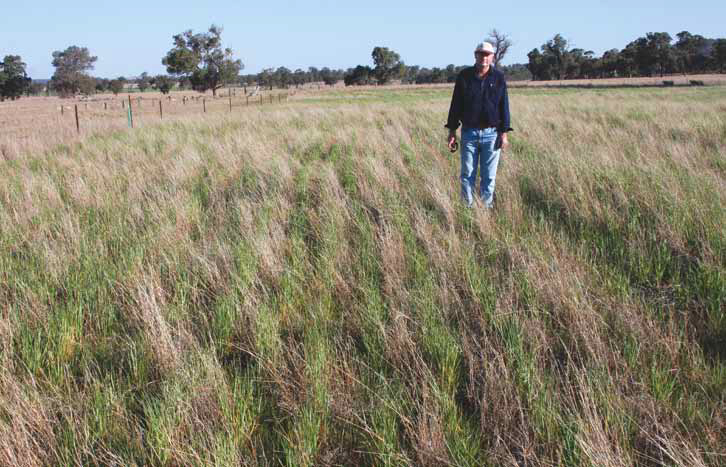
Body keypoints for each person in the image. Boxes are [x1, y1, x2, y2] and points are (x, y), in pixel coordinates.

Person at [446, 41, 513, 208]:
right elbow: (456, 105)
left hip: (492, 134)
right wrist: (452, 131)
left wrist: (504, 134)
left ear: (492, 57)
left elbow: (503, 106)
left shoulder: (498, 78)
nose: (484, 57)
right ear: (475, 55)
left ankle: (485, 210)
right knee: (467, 174)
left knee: (489, 176)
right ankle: (467, 210)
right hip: (469, 133)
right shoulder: (464, 76)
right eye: (481, 54)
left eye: (487, 54)